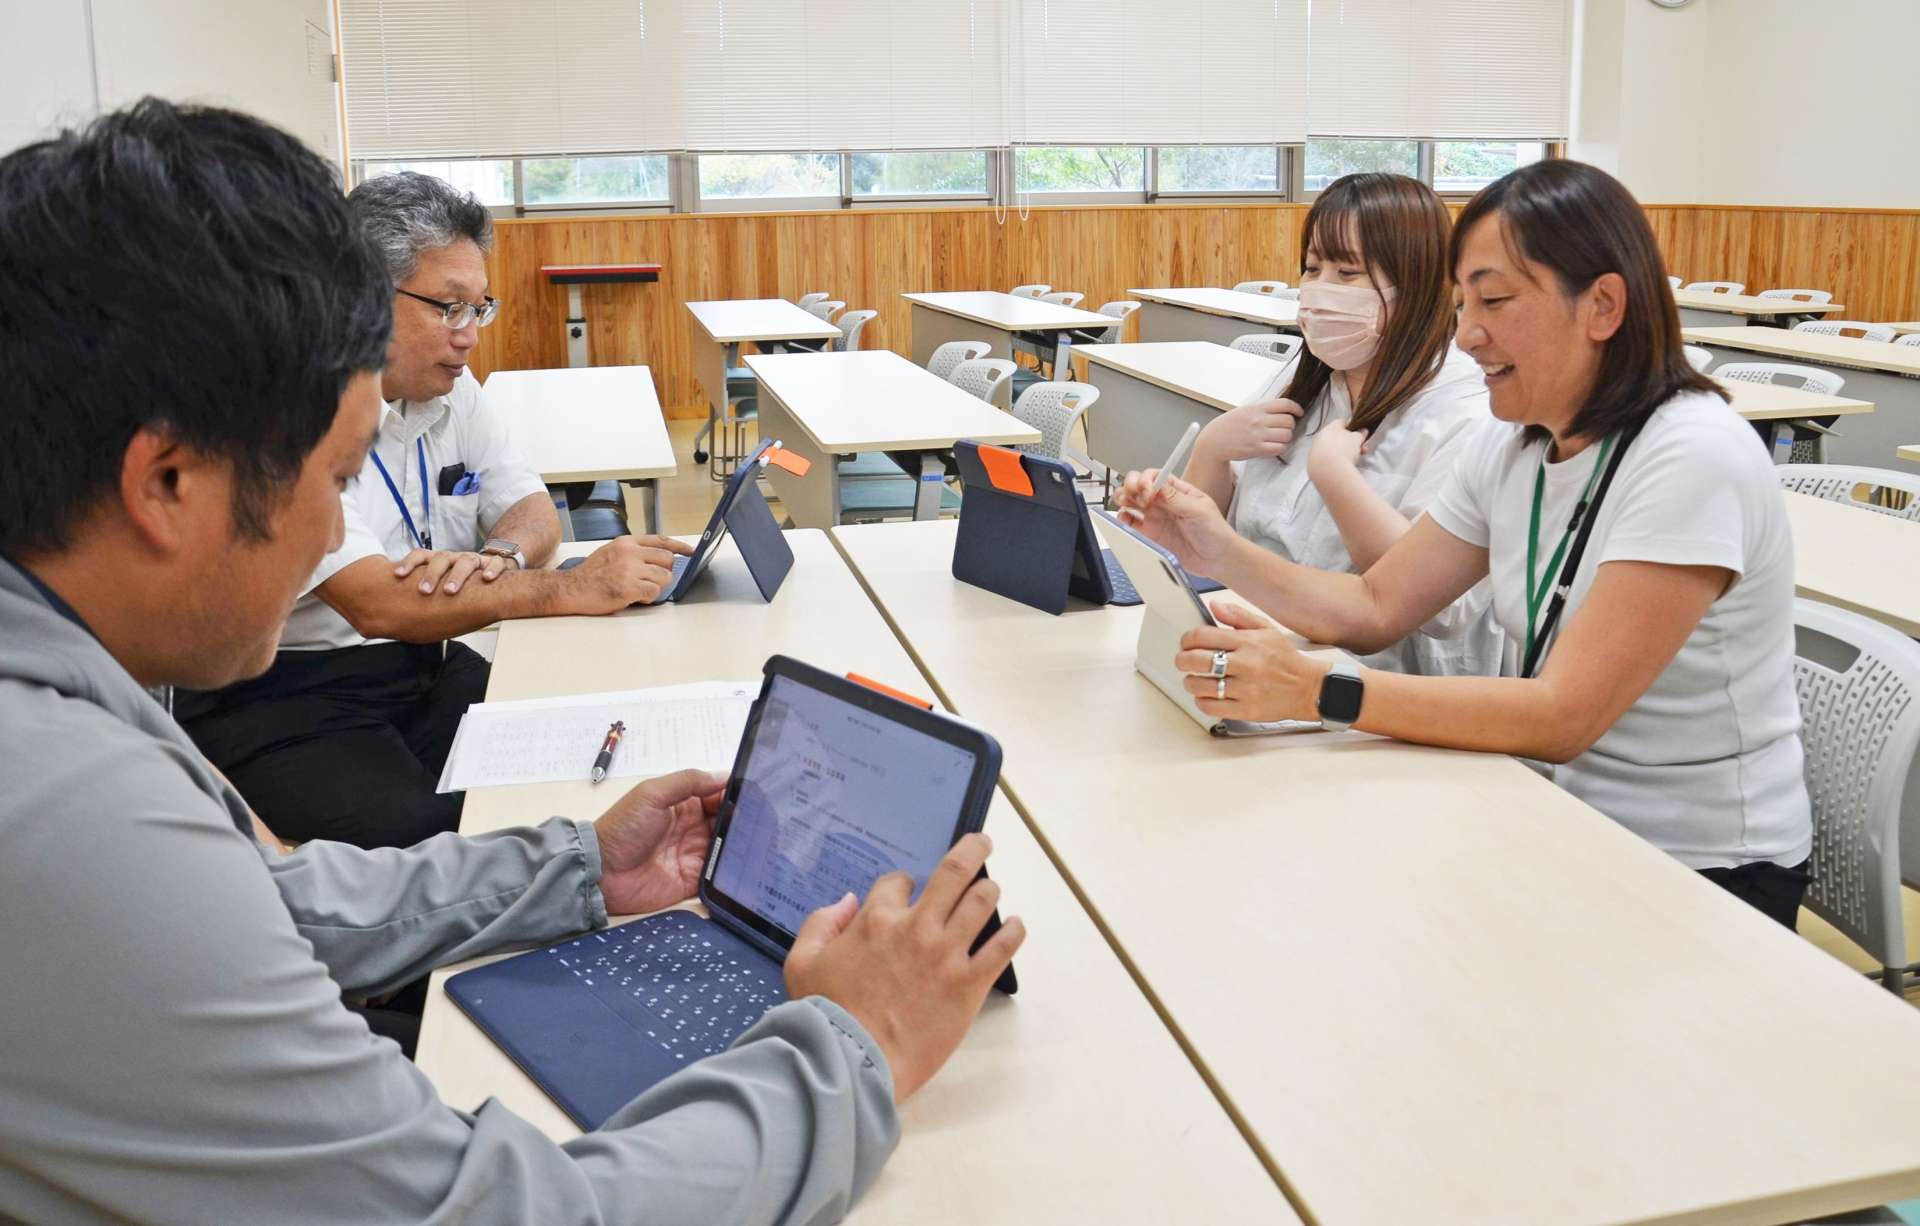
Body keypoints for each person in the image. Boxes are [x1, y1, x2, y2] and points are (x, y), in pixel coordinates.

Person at [0, 98, 1024, 1223]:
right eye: (335, 481)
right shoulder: (64, 811)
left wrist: (580, 866)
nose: (337, 531)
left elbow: (278, 902)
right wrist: (857, 1043)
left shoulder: (63, 694)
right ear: (167, 484)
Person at [1116, 159, 1812, 927]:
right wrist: (1214, 549)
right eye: (1461, 303)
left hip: (1698, 865)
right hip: (1544, 808)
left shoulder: (1692, 456)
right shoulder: (1517, 444)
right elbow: (1378, 604)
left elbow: (1562, 716)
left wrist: (1315, 687)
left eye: (1495, 300)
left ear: (1603, 306)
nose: (1468, 333)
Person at [174, 171, 692, 849]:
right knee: (447, 838)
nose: (469, 335)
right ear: (361, 297)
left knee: (578, 748)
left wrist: (496, 559)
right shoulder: (287, 413)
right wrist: (568, 587)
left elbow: (532, 508)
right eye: (449, 308)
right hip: (284, 695)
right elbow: (377, 605)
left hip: (424, 663)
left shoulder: (448, 384)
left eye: (479, 308)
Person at [1179, 173, 1498, 676]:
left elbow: (1439, 608)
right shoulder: (1311, 381)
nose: (1321, 291)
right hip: (1260, 640)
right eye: (1312, 268)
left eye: (1348, 272)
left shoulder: (1468, 410)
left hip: (1380, 680)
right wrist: (1212, 450)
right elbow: (1202, 538)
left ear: (1416, 282)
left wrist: (1335, 476)